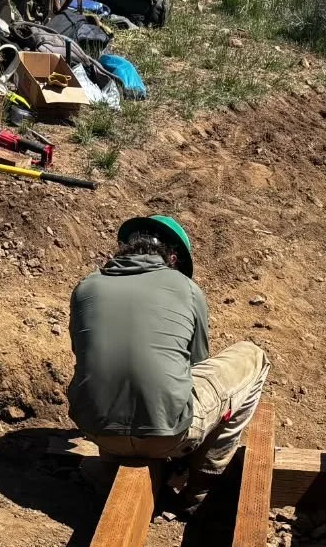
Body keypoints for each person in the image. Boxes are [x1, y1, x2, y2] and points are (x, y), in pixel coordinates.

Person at [68, 213, 270, 515]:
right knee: (254, 357)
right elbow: (195, 366)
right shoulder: (185, 289)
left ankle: (110, 470)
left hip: (96, 428)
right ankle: (200, 488)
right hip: (170, 434)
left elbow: (89, 361)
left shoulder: (86, 288)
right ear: (172, 257)